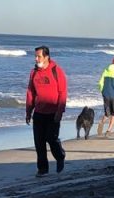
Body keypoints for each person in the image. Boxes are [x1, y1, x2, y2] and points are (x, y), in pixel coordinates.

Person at [25, 45, 67, 177]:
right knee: (39, 142)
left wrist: (60, 111)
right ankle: (43, 169)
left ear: (46, 57)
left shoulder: (57, 71)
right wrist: (28, 111)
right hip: (39, 113)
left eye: (39, 56)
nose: (36, 59)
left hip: (53, 113)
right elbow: (30, 92)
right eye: (35, 56)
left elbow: (63, 92)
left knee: (51, 139)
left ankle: (60, 156)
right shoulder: (34, 72)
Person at [97, 56, 114, 137]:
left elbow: (101, 82)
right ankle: (108, 131)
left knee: (107, 113)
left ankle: (101, 122)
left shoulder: (106, 70)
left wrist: (102, 90)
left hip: (106, 93)